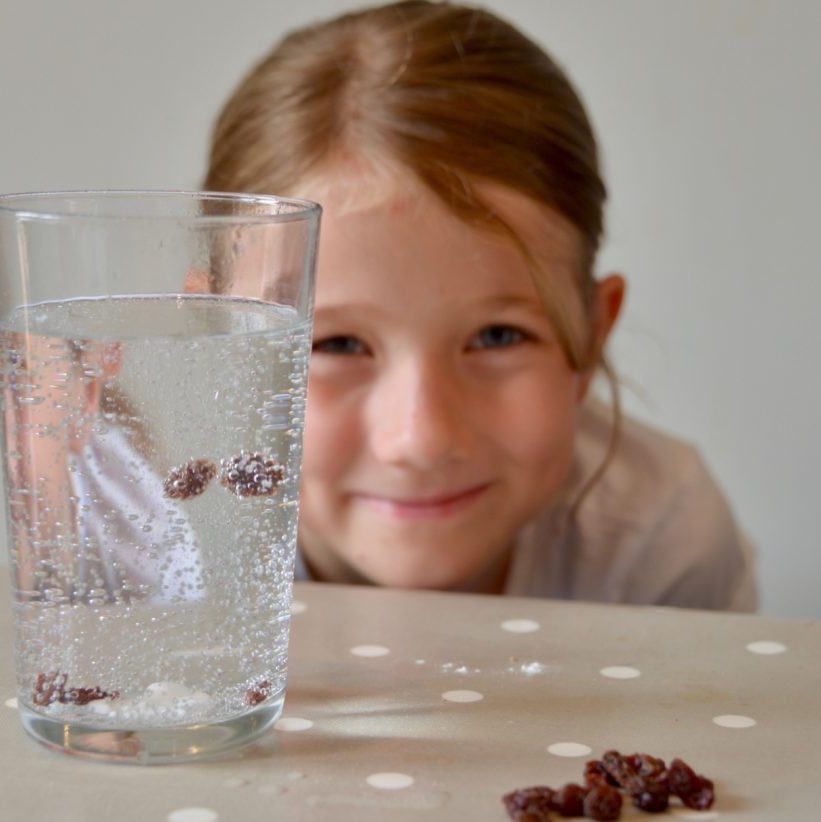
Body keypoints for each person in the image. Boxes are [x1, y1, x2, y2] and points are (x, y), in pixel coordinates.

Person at [202, 0, 756, 610]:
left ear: (594, 335)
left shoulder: (656, 544)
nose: (421, 440)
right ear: (211, 343)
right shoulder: (134, 543)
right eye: (334, 344)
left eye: (497, 336)